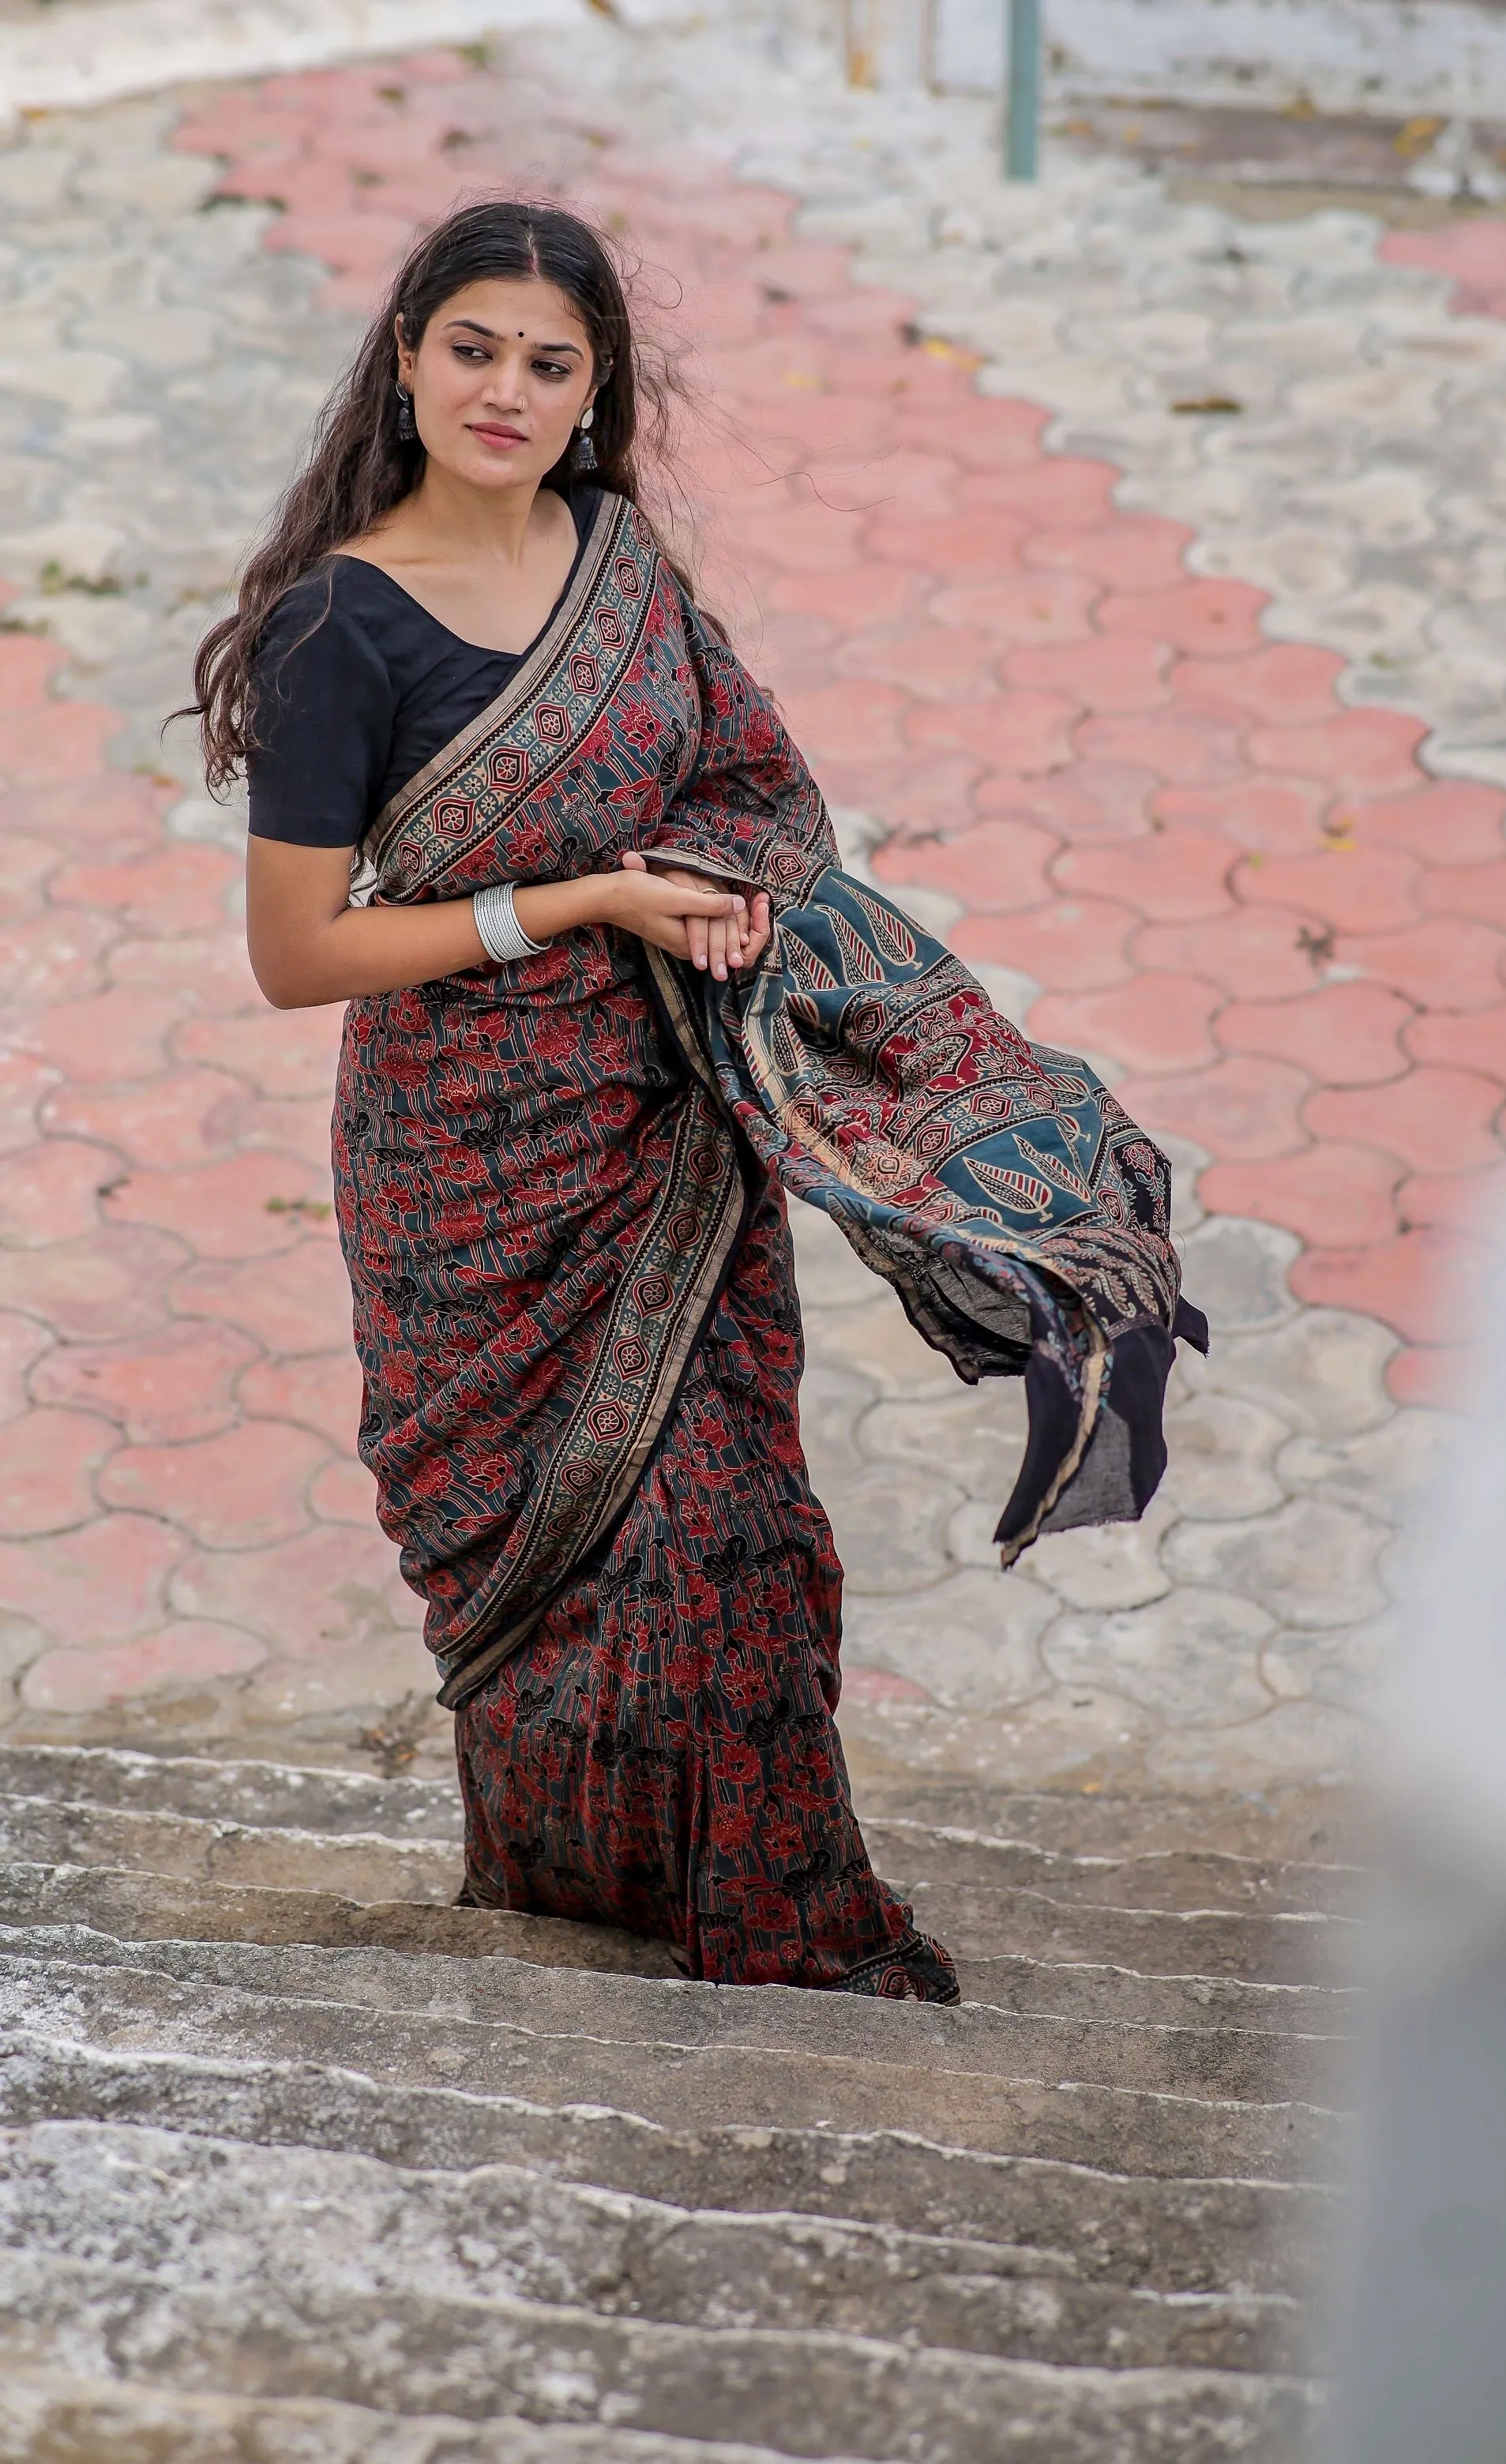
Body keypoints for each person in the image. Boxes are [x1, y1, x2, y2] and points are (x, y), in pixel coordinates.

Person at [188, 197, 1204, 2004]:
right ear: (407, 356)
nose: (507, 388)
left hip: (669, 1131)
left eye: (550, 362)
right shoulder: (338, 629)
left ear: (594, 395)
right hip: (467, 1175)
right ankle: (576, 1899)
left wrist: (718, 879)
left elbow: (745, 774)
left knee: (736, 1544)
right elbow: (296, 954)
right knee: (546, 1574)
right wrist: (582, 898)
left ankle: (782, 1922)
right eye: (474, 348)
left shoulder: (610, 554)